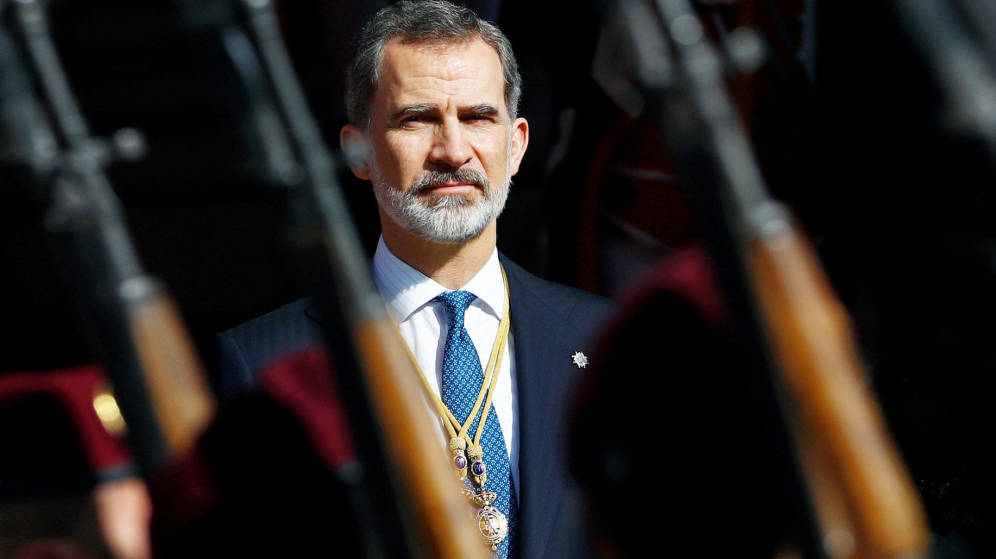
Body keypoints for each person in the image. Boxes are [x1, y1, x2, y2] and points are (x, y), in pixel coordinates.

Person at [216, 2, 612, 558]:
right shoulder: (263, 363)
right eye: (416, 119)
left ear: (517, 144)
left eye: (478, 117)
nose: (453, 151)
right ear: (358, 151)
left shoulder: (608, 339)